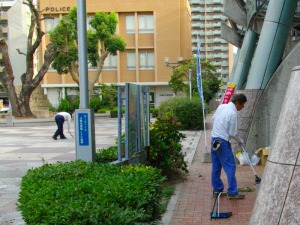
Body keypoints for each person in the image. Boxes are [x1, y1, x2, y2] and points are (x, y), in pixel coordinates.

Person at [211, 93, 247, 199]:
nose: (243, 107)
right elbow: (232, 133)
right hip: (222, 142)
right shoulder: (233, 113)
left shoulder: (222, 106)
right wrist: (240, 140)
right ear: (237, 103)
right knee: (230, 166)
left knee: (216, 166)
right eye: (242, 104)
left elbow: (213, 119)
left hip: (214, 139)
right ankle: (232, 192)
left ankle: (217, 189)